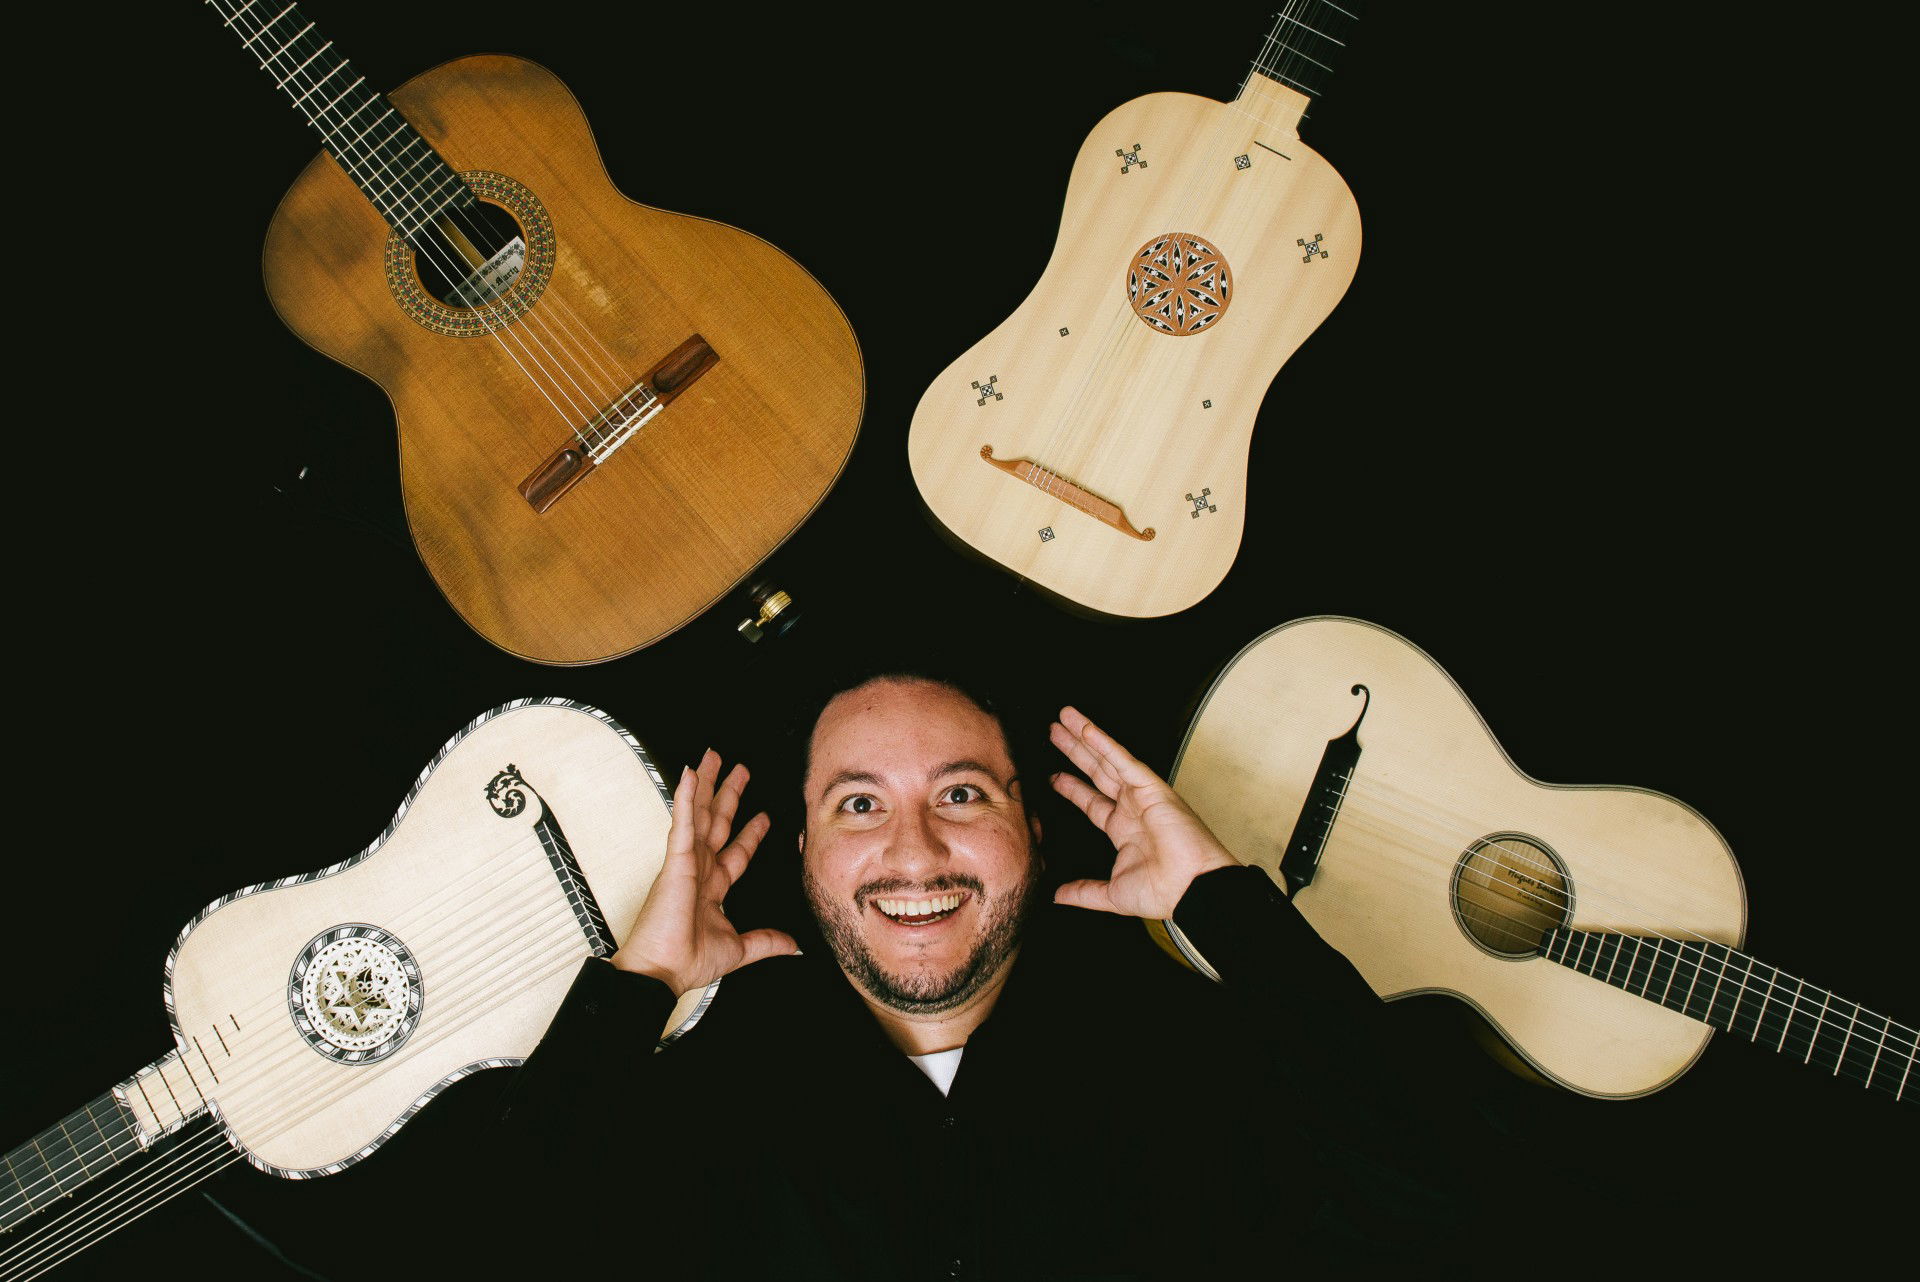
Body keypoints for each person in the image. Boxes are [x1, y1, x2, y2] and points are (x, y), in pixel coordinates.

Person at [494, 671, 1466, 1277]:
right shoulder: (705, 1113)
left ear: (1034, 838)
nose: (915, 850)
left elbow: (1421, 1199)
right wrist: (645, 981)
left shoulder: (1186, 1066)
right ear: (803, 856)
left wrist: (1222, 904)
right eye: (859, 805)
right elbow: (489, 1249)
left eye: (960, 793)